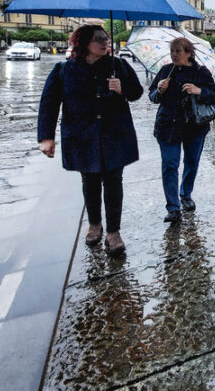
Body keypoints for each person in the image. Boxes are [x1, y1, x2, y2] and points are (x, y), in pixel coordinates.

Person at [37, 24, 143, 256]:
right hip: (82, 135)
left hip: (114, 134)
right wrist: (46, 137)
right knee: (90, 181)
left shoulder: (119, 65)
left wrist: (121, 89)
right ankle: (95, 224)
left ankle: (113, 232)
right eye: (98, 39)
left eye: (105, 38)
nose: (105, 42)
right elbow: (49, 103)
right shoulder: (65, 70)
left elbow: (137, 93)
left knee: (114, 182)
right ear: (84, 42)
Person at [148, 37, 215, 223]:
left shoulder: (201, 72)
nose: (173, 55)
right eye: (172, 51)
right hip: (167, 126)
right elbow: (152, 97)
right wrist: (160, 90)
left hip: (194, 127)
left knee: (191, 162)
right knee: (170, 165)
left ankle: (185, 194)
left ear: (188, 53)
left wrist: (199, 91)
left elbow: (214, 95)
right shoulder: (165, 70)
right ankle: (173, 208)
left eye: (178, 51)